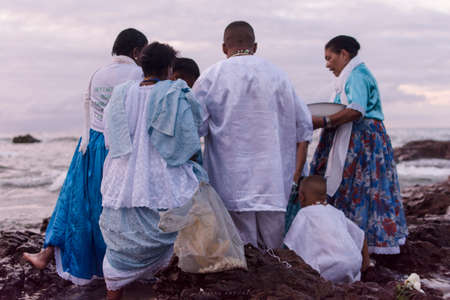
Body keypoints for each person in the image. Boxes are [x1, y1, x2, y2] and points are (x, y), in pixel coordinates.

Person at [22, 28, 148, 285]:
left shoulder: (97, 73)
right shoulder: (137, 73)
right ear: (136, 52)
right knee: (117, 210)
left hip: (88, 145)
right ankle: (119, 269)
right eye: (143, 53)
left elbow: (90, 110)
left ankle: (47, 254)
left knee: (75, 203)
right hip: (117, 149)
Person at [99, 42, 207, 300]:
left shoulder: (121, 93)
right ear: (170, 68)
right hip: (163, 178)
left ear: (142, 66)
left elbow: (108, 136)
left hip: (122, 177)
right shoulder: (176, 92)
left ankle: (116, 291)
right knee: (175, 235)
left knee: (119, 246)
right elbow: (189, 137)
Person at [193, 21, 312, 249]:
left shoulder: (211, 77)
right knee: (274, 253)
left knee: (241, 255)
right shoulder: (280, 76)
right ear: (255, 46)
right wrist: (296, 175)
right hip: (274, 183)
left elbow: (194, 129)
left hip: (229, 183)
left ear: (223, 48)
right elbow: (304, 126)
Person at [309, 35, 408, 254]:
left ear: (344, 54)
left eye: (329, 58)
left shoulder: (357, 75)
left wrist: (323, 121)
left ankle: (362, 245)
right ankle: (355, 242)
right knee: (361, 188)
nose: (327, 64)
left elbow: (356, 109)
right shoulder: (351, 76)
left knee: (361, 186)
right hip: (359, 137)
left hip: (362, 140)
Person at [284, 175, 370, 283]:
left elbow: (291, 242)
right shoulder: (337, 212)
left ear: (301, 196)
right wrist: (365, 264)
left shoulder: (304, 213)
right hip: (354, 265)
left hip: (330, 268)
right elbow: (361, 235)